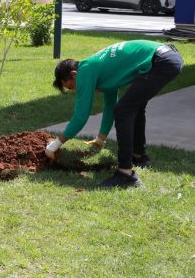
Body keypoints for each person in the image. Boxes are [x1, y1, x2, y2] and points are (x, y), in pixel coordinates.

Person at [45, 40, 183, 188]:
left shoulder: (85, 70)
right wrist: (100, 139)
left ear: (74, 74)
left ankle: (125, 175)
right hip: (167, 57)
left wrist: (54, 145)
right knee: (132, 107)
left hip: (161, 61)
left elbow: (80, 117)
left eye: (72, 86)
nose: (76, 90)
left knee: (124, 111)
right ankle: (138, 157)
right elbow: (110, 106)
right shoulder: (99, 69)